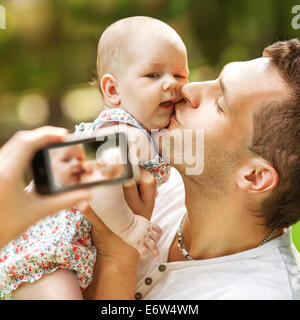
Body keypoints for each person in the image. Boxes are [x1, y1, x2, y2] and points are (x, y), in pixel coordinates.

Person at [86, 38, 300, 300]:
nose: (188, 89)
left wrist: (117, 255)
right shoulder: (155, 176)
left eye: (220, 102)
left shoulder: (256, 294)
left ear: (255, 177)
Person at [0, 16, 188, 299]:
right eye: (153, 75)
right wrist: (128, 225)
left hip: (71, 250)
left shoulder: (145, 131)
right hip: (50, 249)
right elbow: (99, 182)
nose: (170, 83)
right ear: (113, 90)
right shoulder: (120, 131)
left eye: (179, 75)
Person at [0, 126, 91, 248]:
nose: (76, 163)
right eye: (66, 160)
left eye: (80, 159)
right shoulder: (40, 192)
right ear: (50, 169)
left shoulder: (84, 185)